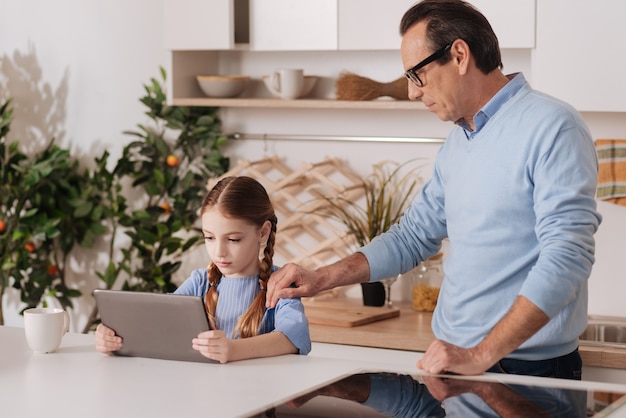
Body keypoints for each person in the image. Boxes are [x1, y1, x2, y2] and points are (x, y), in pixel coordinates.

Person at [267, 0, 601, 379]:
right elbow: (412, 237)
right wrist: (321, 278)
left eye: (417, 74)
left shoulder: (553, 126)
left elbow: (568, 256)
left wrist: (482, 353)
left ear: (459, 55)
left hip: (527, 369)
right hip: (452, 361)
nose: (411, 92)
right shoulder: (461, 141)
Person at [96, 176, 311, 363]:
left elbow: (293, 338)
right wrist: (113, 336)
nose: (219, 252)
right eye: (209, 237)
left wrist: (232, 349)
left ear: (263, 232)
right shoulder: (201, 281)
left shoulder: (279, 284)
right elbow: (160, 321)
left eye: (233, 239)